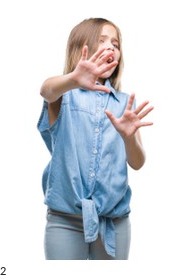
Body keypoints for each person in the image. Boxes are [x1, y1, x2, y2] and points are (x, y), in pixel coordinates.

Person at [38, 18, 152, 260]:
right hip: (65, 220)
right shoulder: (64, 95)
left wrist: (129, 138)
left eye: (115, 44)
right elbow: (46, 89)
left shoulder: (124, 103)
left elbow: (138, 162)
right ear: (82, 50)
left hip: (114, 221)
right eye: (102, 42)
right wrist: (72, 79)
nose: (111, 48)